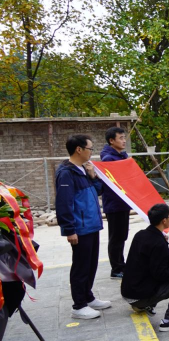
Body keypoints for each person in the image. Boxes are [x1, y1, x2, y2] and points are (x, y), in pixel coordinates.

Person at [55, 134, 111, 320]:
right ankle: (78, 306)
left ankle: (88, 296)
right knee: (81, 266)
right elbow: (64, 203)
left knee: (91, 264)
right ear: (79, 149)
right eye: (90, 148)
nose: (91, 152)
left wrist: (93, 176)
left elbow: (98, 190)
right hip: (80, 227)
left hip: (91, 224)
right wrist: (69, 229)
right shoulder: (66, 173)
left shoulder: (83, 169)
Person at [121, 204, 169, 331]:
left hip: (128, 291)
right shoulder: (158, 244)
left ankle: (143, 305)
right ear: (164, 221)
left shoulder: (141, 234)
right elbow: (161, 274)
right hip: (138, 296)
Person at [101, 126, 131, 280]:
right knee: (116, 238)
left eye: (124, 138)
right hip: (114, 204)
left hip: (123, 203)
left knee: (122, 236)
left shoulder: (121, 156)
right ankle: (116, 268)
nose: (124, 141)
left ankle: (121, 264)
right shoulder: (109, 159)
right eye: (121, 138)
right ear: (111, 141)